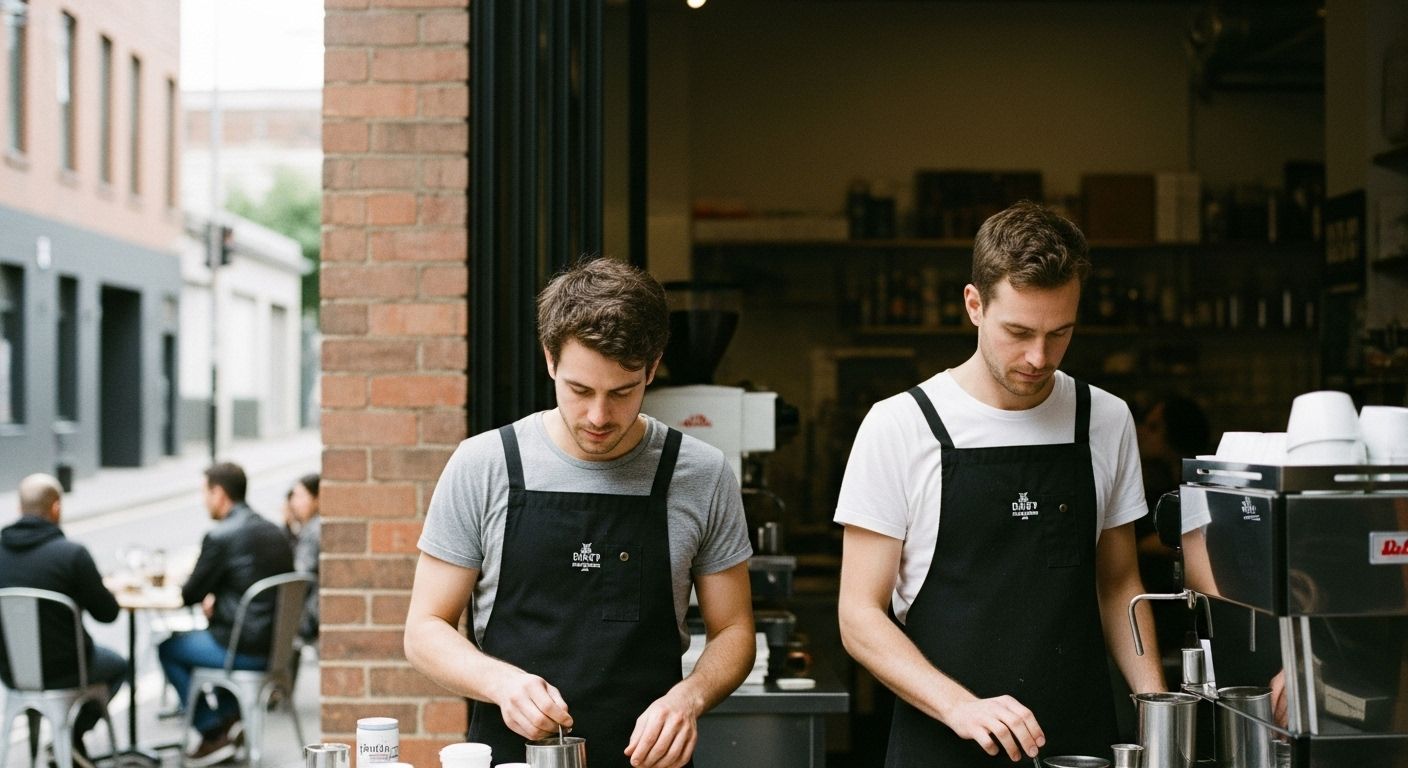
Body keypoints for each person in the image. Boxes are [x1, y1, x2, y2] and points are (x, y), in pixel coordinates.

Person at [835, 201, 1166, 765]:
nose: (1039, 357)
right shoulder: (901, 425)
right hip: (942, 738)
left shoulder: (1104, 420)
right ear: (974, 305)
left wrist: (1158, 711)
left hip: (1077, 745)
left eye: (1059, 333)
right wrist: (961, 707)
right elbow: (859, 615)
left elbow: (1118, 583)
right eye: (1018, 331)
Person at [405, 257, 756, 768]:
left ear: (652, 368)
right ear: (550, 359)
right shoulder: (485, 465)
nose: (598, 416)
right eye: (579, 390)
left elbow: (735, 631)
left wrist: (691, 697)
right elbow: (424, 628)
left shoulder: (701, 473)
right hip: (513, 758)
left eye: (622, 392)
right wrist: (501, 683)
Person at [159, 462, 294, 767]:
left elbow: (189, 594)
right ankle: (232, 717)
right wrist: (220, 600)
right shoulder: (274, 531)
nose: (204, 501)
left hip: (242, 648)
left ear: (219, 493)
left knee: (169, 647)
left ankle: (212, 732)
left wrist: (211, 599)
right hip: (277, 649)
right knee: (202, 642)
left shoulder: (221, 536)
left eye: (205, 493)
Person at [0, 474, 125, 768]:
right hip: (67, 670)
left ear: (20, 509)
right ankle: (71, 737)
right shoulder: (71, 555)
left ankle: (67, 745)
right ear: (56, 508)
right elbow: (108, 614)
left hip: (12, 672)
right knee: (119, 666)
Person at [283, 473, 320, 642]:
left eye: (300, 496)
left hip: (312, 614)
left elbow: (299, 574)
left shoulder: (313, 530)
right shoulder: (312, 527)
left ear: (317, 498)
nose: (293, 503)